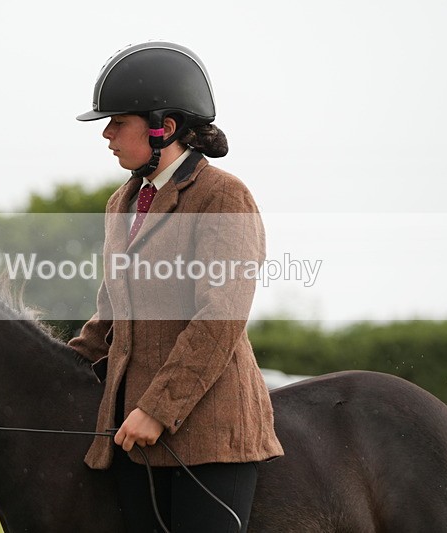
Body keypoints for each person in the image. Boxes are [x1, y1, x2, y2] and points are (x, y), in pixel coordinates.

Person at [69, 41, 283, 533]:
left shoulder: (222, 195)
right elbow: (111, 317)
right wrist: (59, 369)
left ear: (162, 127)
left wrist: (157, 410)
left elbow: (219, 319)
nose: (106, 134)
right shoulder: (121, 203)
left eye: (117, 122)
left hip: (209, 436)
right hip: (131, 436)